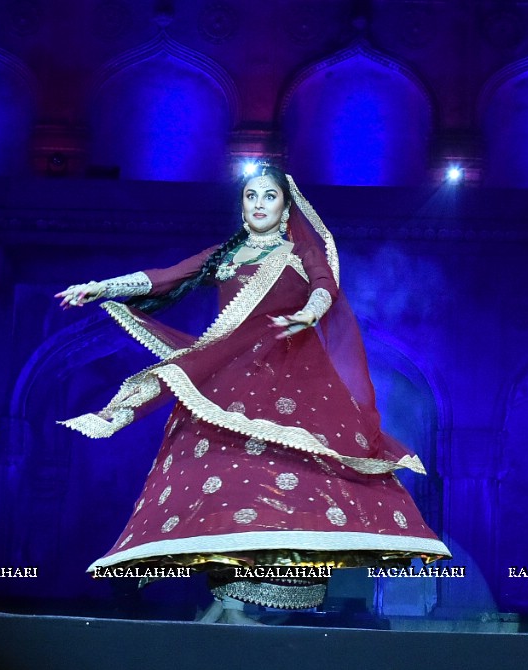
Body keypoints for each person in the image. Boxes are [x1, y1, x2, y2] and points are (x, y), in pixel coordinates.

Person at [55, 164, 450, 624]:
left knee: (298, 470)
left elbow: (327, 288)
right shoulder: (226, 254)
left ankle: (274, 586)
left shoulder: (300, 253)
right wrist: (100, 286)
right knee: (218, 470)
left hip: (291, 371)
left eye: (269, 196)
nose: (259, 203)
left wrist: (306, 315)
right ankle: (227, 595)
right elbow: (164, 277)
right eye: (250, 196)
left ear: (285, 208)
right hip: (228, 373)